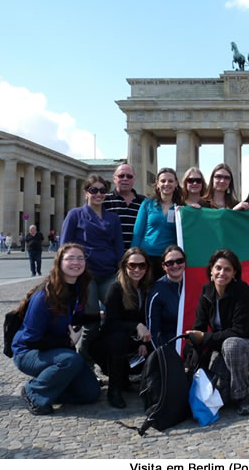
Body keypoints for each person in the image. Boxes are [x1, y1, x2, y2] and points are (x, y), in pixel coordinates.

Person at [11, 243, 101, 415]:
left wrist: (100, 316)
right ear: (59, 263)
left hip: (56, 349)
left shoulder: (78, 287)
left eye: (80, 258)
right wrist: (68, 341)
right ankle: (33, 392)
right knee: (70, 360)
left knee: (90, 393)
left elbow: (73, 317)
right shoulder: (43, 296)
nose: (76, 262)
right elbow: (31, 340)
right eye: (70, 258)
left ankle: (51, 389)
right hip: (28, 352)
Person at [186, 249, 249, 415]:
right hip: (221, 349)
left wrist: (205, 337)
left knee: (231, 344)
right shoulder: (206, 291)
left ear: (234, 273)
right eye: (218, 268)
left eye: (227, 269)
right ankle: (231, 391)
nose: (221, 273)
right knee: (220, 396)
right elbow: (199, 327)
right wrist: (188, 364)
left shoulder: (242, 291)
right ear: (211, 269)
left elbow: (239, 331)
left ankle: (243, 397)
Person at [60, 174, 124, 366]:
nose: (98, 194)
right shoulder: (75, 215)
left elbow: (118, 248)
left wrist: (121, 273)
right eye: (93, 190)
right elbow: (64, 246)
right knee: (91, 323)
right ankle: (85, 362)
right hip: (86, 276)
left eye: (102, 190)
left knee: (115, 317)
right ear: (85, 192)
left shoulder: (113, 218)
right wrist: (64, 274)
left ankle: (108, 361)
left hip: (109, 273)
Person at [90, 247, 153, 408]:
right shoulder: (116, 288)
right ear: (124, 266)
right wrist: (136, 326)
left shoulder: (146, 289)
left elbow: (147, 319)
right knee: (118, 339)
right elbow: (111, 323)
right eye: (132, 265)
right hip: (108, 344)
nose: (137, 269)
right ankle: (114, 389)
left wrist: (143, 343)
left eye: (142, 265)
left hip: (132, 341)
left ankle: (126, 379)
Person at [132, 167, 183, 280]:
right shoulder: (147, 204)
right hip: (146, 257)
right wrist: (133, 256)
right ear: (158, 184)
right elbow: (137, 233)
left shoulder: (181, 208)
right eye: (163, 181)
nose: (166, 184)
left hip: (170, 260)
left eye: (170, 181)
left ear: (176, 184)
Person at [146, 245, 186, 348]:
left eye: (179, 261)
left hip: (192, 346)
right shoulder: (156, 291)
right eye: (170, 263)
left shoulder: (194, 285)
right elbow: (153, 331)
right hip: (168, 347)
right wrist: (163, 354)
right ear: (163, 266)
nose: (175, 265)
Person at [104, 163, 146, 251]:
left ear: (134, 179)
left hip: (136, 255)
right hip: (111, 253)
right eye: (121, 176)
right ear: (114, 178)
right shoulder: (104, 200)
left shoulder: (144, 202)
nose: (125, 179)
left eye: (129, 176)